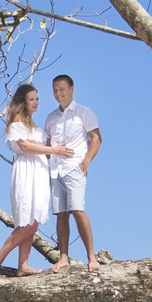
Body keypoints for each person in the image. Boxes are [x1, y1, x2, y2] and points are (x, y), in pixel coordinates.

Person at [0, 83, 72, 275]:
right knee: (27, 221)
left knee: (33, 219)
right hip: (27, 171)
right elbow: (26, 147)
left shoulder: (33, 124)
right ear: (22, 101)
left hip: (39, 172)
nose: (36, 103)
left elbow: (47, 144)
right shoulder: (17, 121)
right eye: (31, 99)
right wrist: (53, 150)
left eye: (37, 99)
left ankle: (23, 265)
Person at [43, 74, 102, 271]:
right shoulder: (51, 117)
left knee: (77, 209)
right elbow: (48, 143)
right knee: (61, 214)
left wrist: (85, 163)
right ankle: (63, 257)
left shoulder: (84, 112)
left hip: (74, 168)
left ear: (71, 89)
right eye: (54, 90)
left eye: (61, 89)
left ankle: (92, 257)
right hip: (55, 170)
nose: (58, 93)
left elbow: (96, 139)